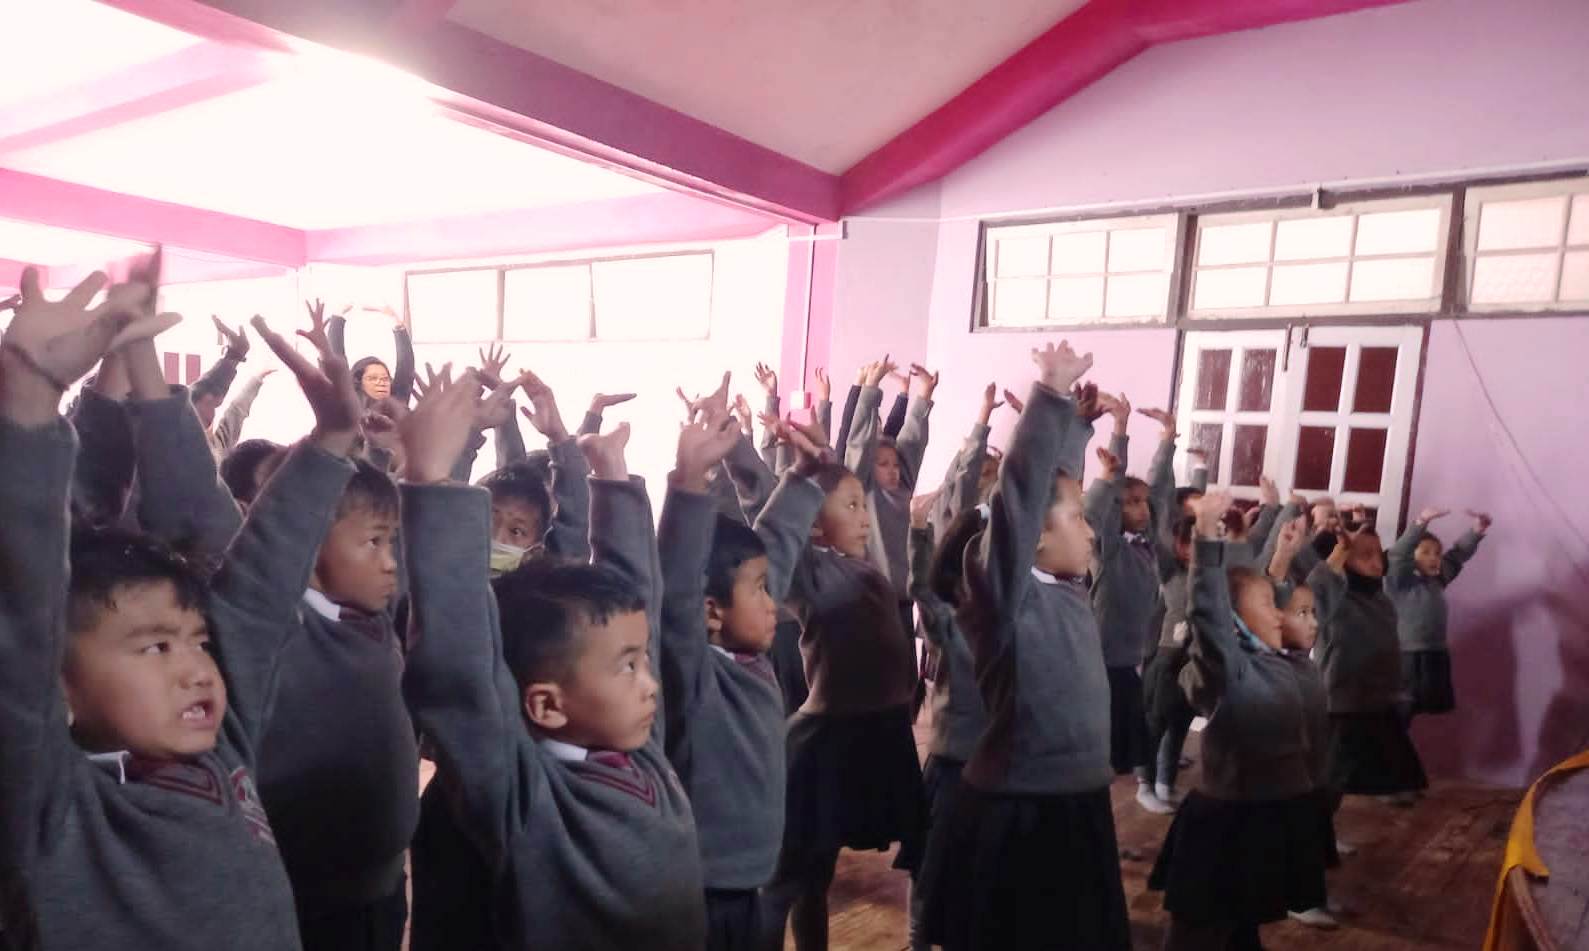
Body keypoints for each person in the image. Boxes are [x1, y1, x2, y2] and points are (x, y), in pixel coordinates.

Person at [0, 260, 361, 949]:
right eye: (156, 646)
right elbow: (20, 612)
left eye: (196, 641)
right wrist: (29, 399)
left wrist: (332, 442)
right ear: (60, 681)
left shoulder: (222, 750)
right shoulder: (48, 806)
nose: (198, 668)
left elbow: (260, 588)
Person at [402, 390, 705, 950]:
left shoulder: (636, 749)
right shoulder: (523, 797)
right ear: (546, 704)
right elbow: (461, 671)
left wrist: (614, 480)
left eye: (642, 661)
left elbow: (639, 602)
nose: (651, 683)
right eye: (628, 667)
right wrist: (430, 480)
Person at [918, 344, 1131, 951]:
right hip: (1018, 809)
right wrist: (1049, 396)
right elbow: (1022, 497)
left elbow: (1052, 490)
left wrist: (1075, 429)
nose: (1091, 530)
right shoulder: (1005, 600)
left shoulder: (1068, 587)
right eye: (1078, 520)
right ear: (1034, 538)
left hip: (1078, 803)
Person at [762, 384, 927, 951]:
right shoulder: (809, 572)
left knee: (829, 871)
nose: (865, 519)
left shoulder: (867, 569)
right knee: (796, 875)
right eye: (851, 507)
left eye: (863, 505)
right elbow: (772, 534)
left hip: (881, 734)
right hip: (827, 740)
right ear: (813, 525)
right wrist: (800, 473)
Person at [658, 406, 828, 951]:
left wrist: (803, 476)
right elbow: (677, 592)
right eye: (759, 590)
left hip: (749, 887)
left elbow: (774, 542)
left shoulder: (749, 656)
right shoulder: (694, 673)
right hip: (701, 896)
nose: (772, 600)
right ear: (710, 612)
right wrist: (689, 483)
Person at [1148, 493, 1329, 950]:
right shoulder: (1228, 668)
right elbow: (1209, 608)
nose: (1280, 613)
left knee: (1239, 921)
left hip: (1269, 814)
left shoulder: (1274, 659)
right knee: (1199, 927)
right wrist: (1206, 537)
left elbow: (1262, 593)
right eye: (1268, 606)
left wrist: (1283, 553)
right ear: (1233, 627)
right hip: (1228, 823)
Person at [1311, 519, 1429, 807]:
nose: (1377, 563)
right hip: (1341, 702)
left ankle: (1386, 789)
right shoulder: (1334, 597)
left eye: (1379, 554)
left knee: (1381, 757)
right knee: (1331, 776)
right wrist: (1338, 552)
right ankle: (1314, 825)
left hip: (1377, 697)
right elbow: (1318, 587)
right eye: (1365, 556)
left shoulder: (1380, 598)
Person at [1385, 507, 1491, 717]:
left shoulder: (1437, 580)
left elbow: (1457, 555)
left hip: (1434, 653)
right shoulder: (1399, 582)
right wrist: (1421, 522)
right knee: (1400, 710)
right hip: (1406, 655)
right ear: (1411, 557)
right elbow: (1397, 555)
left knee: (1423, 707)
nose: (1434, 558)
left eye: (1437, 553)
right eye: (1425, 552)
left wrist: (1477, 530)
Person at [329, 305, 414, 408]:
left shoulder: (397, 404)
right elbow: (336, 367)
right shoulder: (349, 408)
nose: (381, 383)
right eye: (372, 378)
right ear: (359, 383)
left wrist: (396, 322)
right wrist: (337, 319)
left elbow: (406, 369)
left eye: (385, 379)